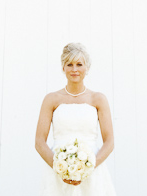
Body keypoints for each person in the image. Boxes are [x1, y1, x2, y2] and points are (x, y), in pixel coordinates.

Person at [35, 43, 117, 195]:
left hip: (92, 171)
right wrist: (60, 168)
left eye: (79, 64)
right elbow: (39, 141)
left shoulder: (98, 99)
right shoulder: (51, 99)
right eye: (69, 64)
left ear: (87, 67)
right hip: (57, 171)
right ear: (63, 67)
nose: (74, 69)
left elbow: (109, 141)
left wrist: (88, 167)